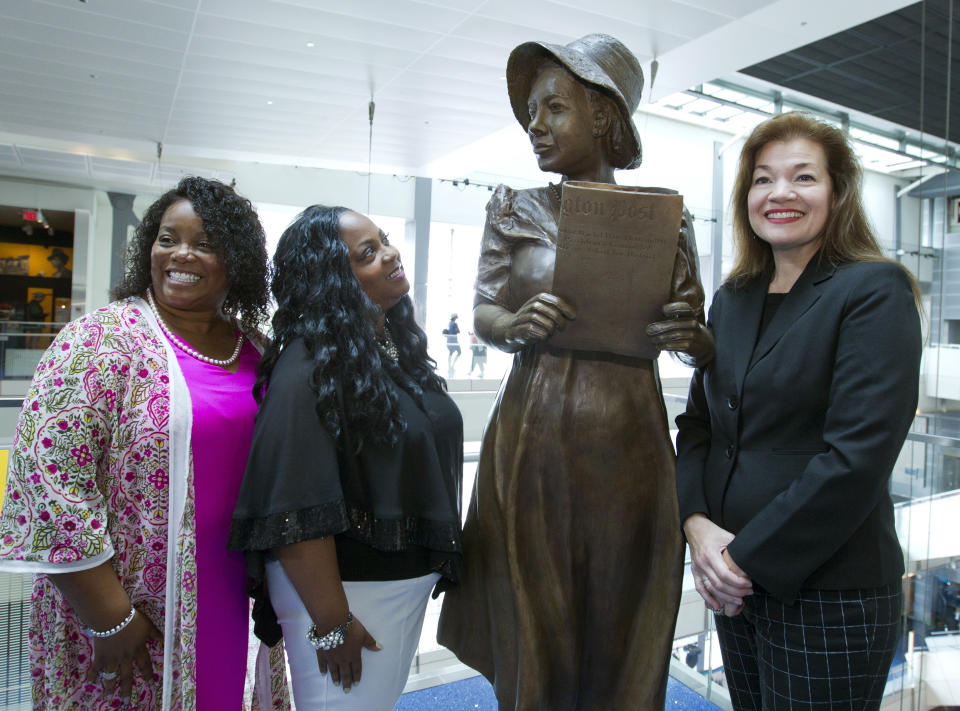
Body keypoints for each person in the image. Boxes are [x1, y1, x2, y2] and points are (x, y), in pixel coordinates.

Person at [437, 34, 713, 710]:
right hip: (535, 435)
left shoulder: (666, 221)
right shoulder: (514, 208)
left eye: (554, 108)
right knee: (537, 618)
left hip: (631, 442)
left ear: (604, 117)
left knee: (621, 612)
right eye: (532, 110)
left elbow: (696, 334)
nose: (536, 125)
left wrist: (692, 337)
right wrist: (513, 323)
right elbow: (482, 309)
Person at [0, 176, 288, 710]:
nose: (182, 254)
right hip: (129, 605)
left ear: (239, 261)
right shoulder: (101, 340)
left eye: (206, 243)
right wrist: (109, 617)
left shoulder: (258, 351)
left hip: (234, 591)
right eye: (167, 238)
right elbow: (49, 481)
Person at [675, 112, 923, 711]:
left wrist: (739, 558)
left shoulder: (873, 290)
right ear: (747, 196)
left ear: (836, 193)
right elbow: (699, 426)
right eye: (764, 179)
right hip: (733, 583)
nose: (780, 193)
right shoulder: (733, 298)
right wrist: (697, 526)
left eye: (803, 177)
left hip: (830, 592)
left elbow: (856, 459)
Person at [229, 205, 463, 710]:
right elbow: (294, 506)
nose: (390, 254)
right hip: (348, 597)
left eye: (383, 239)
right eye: (368, 253)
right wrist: (333, 622)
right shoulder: (308, 363)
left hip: (388, 591)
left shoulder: (386, 345)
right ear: (332, 281)